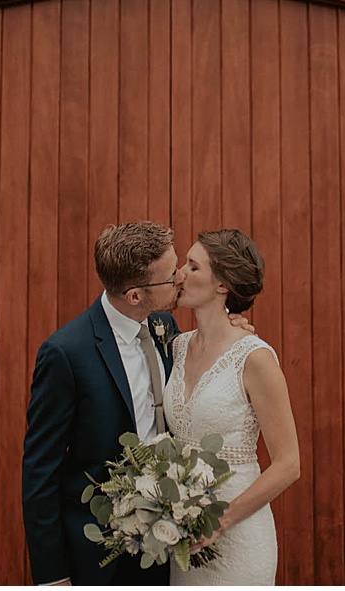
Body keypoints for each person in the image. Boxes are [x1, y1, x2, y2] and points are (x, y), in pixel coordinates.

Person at [21, 222, 252, 586]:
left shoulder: (164, 327)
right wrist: (52, 577)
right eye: (169, 276)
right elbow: (39, 470)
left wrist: (230, 332)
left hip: (169, 544)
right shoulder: (65, 354)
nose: (180, 278)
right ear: (134, 296)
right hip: (97, 551)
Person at [164, 229, 300, 585]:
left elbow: (288, 464)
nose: (180, 274)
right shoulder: (177, 347)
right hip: (185, 539)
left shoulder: (254, 358)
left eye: (193, 267)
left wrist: (221, 520)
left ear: (222, 285)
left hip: (238, 537)